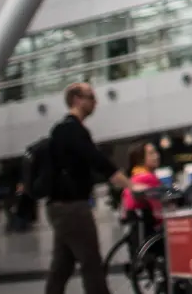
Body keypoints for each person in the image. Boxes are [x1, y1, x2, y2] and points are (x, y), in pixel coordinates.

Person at [45, 82, 130, 294]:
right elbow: (97, 160)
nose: (95, 102)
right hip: (73, 207)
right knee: (91, 263)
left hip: (61, 207)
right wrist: (129, 184)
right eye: (91, 97)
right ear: (76, 100)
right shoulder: (71, 129)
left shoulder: (63, 130)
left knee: (62, 266)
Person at [121, 142, 164, 223]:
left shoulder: (134, 178)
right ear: (140, 159)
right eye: (151, 153)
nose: (157, 156)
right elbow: (160, 210)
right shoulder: (147, 177)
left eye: (156, 152)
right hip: (148, 226)